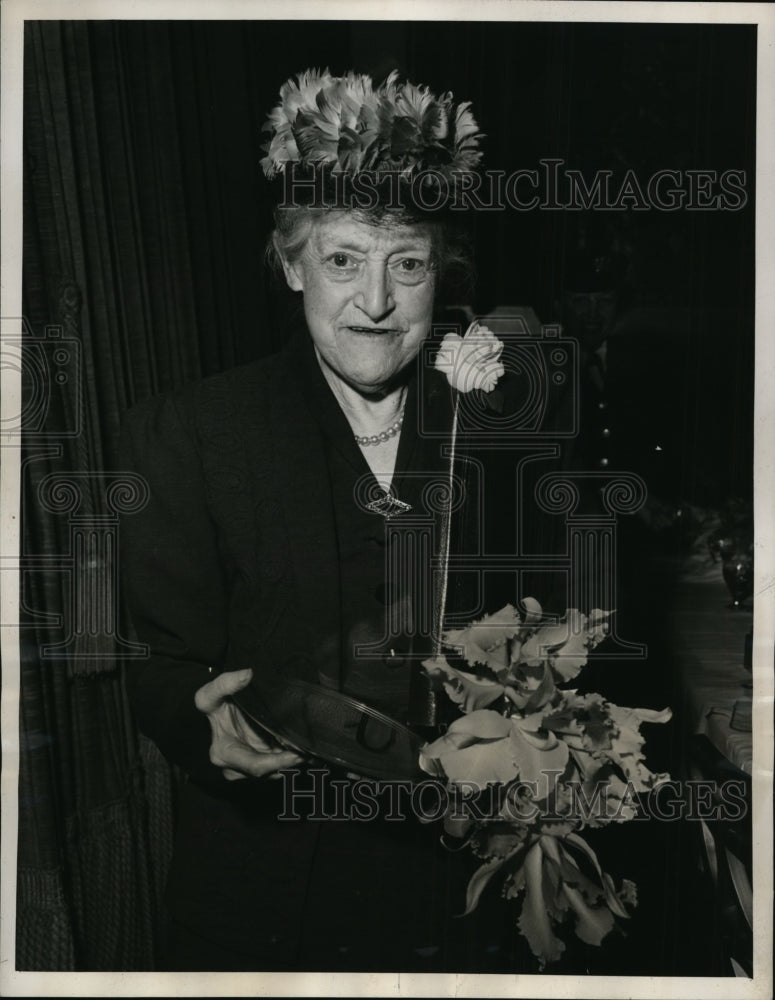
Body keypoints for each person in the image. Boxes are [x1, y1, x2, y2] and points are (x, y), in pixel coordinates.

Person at [119, 69, 526, 973]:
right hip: (267, 902)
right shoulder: (189, 434)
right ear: (291, 263)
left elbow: (564, 634)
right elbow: (156, 663)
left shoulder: (497, 433)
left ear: (441, 272)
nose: (375, 303)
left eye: (406, 264)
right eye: (342, 260)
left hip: (463, 898)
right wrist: (200, 723)